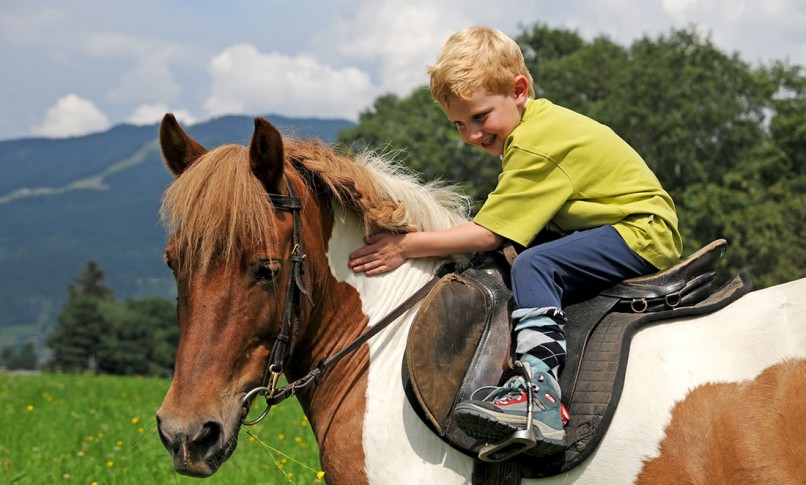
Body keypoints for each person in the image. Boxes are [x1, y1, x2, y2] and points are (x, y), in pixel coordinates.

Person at [348, 26, 682, 457]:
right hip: (617, 226)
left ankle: (538, 396)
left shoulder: (536, 145)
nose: (470, 134)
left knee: (534, 266)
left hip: (640, 230)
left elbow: (490, 231)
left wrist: (407, 245)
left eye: (480, 116)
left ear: (519, 90)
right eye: (458, 124)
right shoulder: (536, 129)